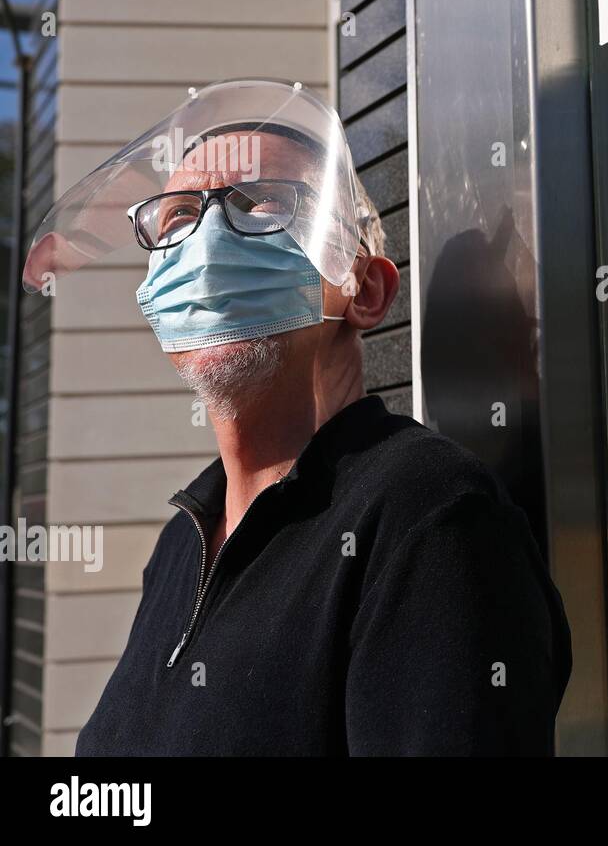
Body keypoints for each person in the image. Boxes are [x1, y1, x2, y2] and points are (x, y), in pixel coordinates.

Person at [22, 80, 571, 756]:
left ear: (366, 291)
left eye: (265, 208)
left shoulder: (427, 517)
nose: (210, 240)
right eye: (178, 219)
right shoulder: (182, 541)